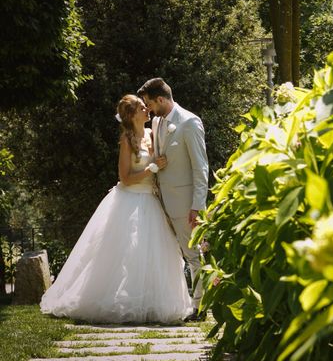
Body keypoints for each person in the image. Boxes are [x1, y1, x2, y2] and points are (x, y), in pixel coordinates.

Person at [40, 95, 193, 323]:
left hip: (152, 201)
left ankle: (151, 301)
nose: (147, 109)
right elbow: (125, 178)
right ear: (132, 115)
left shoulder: (154, 134)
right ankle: (123, 300)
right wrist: (151, 168)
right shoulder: (127, 140)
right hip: (130, 200)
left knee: (154, 254)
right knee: (129, 253)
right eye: (142, 108)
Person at [137, 78, 208, 319]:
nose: (148, 109)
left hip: (185, 202)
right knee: (174, 256)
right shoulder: (156, 123)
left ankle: (200, 306)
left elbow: (201, 168)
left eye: (149, 103)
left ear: (160, 99)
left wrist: (197, 206)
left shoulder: (189, 122)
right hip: (161, 201)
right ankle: (183, 302)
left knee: (194, 255)